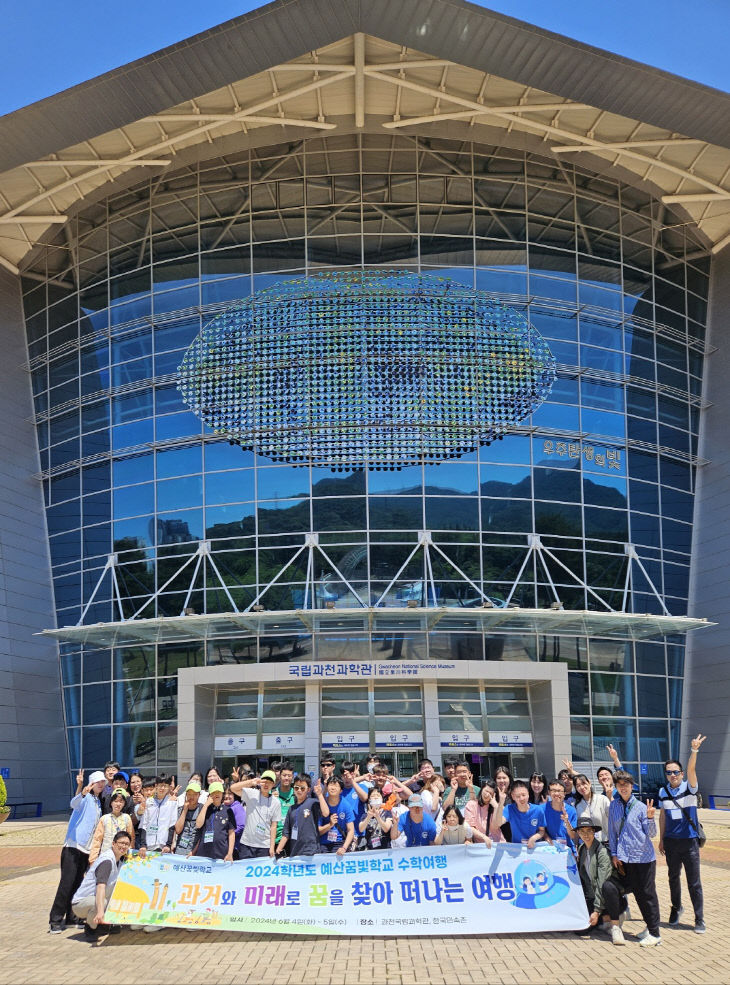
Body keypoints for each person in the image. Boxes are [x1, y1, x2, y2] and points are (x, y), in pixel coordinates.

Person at [658, 732, 706, 933]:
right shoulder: (663, 792)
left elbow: (692, 768)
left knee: (693, 882)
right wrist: (661, 839)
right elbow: (662, 816)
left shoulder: (690, 788)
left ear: (682, 773)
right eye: (669, 772)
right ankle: (676, 908)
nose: (673, 775)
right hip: (671, 842)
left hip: (689, 842)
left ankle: (699, 918)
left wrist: (694, 750)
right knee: (672, 878)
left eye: (676, 772)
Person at [48, 769, 106, 934]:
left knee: (77, 883)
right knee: (66, 883)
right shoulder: (86, 797)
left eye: (103, 782)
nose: (101, 784)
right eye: (98, 782)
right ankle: (55, 919)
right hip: (73, 846)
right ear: (92, 783)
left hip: (86, 849)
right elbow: (74, 804)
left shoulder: (97, 801)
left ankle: (72, 917)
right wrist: (81, 790)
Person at [608, 770, 661, 947]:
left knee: (647, 895)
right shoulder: (614, 806)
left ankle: (655, 933)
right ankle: (650, 927)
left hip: (644, 858)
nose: (623, 787)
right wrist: (614, 854)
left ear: (632, 786)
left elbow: (652, 834)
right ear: (616, 787)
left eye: (626, 784)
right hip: (626, 859)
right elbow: (612, 833)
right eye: (619, 784)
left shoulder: (640, 807)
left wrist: (651, 817)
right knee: (638, 894)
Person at [574, 814, 627, 946]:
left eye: (589, 831)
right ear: (578, 833)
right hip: (593, 898)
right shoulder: (581, 849)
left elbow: (601, 883)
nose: (586, 835)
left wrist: (596, 911)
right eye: (582, 831)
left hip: (607, 898)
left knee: (607, 886)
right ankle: (604, 920)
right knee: (580, 930)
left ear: (594, 832)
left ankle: (614, 919)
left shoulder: (601, 851)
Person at [71, 830, 131, 942]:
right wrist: (100, 911)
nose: (123, 846)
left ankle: (103, 924)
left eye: (126, 844)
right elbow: (100, 887)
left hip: (94, 899)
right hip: (81, 903)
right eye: (121, 843)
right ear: (113, 843)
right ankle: (90, 929)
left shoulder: (120, 859)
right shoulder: (107, 861)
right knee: (102, 902)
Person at [230, 770, 282, 858]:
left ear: (273, 785)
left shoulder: (276, 802)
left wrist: (272, 847)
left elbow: (274, 825)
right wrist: (251, 782)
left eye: (269, 782)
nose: (266, 784)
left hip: (264, 846)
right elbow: (233, 788)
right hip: (247, 844)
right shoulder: (252, 793)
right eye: (264, 781)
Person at [276, 775, 330, 858]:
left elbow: (326, 813)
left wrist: (319, 795)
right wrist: (279, 848)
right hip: (295, 851)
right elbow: (286, 833)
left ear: (308, 790)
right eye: (296, 788)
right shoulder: (291, 808)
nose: (299, 791)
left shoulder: (313, 803)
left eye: (302, 788)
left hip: (311, 851)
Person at [193, 781, 236, 862]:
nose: (216, 794)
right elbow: (198, 825)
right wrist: (206, 805)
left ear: (222, 793)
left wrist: (230, 853)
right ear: (209, 794)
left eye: (219, 792)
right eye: (214, 792)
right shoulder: (204, 809)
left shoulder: (228, 810)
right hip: (203, 853)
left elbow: (231, 833)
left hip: (221, 853)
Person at [89, 789, 135, 863]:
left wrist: (129, 854)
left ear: (124, 804)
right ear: (111, 803)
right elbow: (97, 839)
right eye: (115, 801)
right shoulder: (104, 818)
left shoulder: (127, 818)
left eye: (121, 801)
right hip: (105, 856)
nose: (118, 804)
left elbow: (131, 837)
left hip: (122, 856)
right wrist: (93, 859)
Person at [137, 775, 178, 856]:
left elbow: (172, 825)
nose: (162, 788)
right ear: (156, 786)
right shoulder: (148, 802)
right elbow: (143, 824)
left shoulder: (172, 803)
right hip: (149, 846)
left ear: (169, 788)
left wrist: (168, 845)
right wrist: (143, 845)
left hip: (163, 847)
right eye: (160, 785)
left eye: (165, 786)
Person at [500, 779, 546, 847]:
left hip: (534, 848)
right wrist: (500, 803)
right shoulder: (509, 809)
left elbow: (542, 831)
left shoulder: (538, 810)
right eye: (518, 796)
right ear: (513, 796)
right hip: (517, 848)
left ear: (528, 794)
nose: (521, 798)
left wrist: (534, 838)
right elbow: (499, 822)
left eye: (524, 795)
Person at [318, 777, 355, 855]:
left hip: (340, 843)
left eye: (336, 786)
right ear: (327, 787)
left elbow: (351, 830)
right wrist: (330, 825)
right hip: (323, 843)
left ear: (341, 790)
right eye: (331, 785)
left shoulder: (346, 805)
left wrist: (344, 847)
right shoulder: (322, 804)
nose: (333, 788)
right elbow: (318, 831)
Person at [572, 772, 611, 842]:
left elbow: (613, 818)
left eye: (583, 783)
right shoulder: (577, 805)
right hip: (586, 844)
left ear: (589, 783)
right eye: (578, 786)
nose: (582, 787)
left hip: (604, 842)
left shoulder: (602, 799)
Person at [464, 780, 503, 844]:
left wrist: (496, 807)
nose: (487, 795)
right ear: (482, 789)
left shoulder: (497, 806)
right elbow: (470, 827)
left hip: (498, 842)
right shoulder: (471, 805)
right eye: (486, 791)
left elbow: (495, 827)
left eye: (490, 793)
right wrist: (484, 837)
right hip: (481, 844)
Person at [357, 786, 395, 850]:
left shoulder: (387, 813)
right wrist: (368, 817)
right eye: (373, 796)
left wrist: (378, 817)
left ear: (382, 798)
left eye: (378, 795)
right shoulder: (365, 815)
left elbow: (386, 829)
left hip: (385, 848)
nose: (376, 797)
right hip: (370, 849)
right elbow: (361, 829)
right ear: (369, 799)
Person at [173, 781, 204, 856]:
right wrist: (185, 810)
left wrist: (193, 852)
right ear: (186, 795)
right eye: (189, 794)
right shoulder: (181, 809)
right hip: (180, 850)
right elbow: (178, 830)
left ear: (199, 795)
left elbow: (202, 834)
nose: (191, 797)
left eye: (195, 794)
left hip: (195, 852)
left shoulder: (202, 809)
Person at [543, 778, 577, 847]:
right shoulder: (542, 809)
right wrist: (547, 838)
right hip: (550, 848)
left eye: (559, 791)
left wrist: (567, 821)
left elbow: (573, 836)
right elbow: (539, 829)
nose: (556, 793)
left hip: (568, 849)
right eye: (553, 791)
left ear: (564, 794)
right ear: (549, 793)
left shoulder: (571, 810)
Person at [274, 762, 296, 846]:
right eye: (284, 775)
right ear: (279, 776)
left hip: (292, 840)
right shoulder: (272, 793)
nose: (286, 778)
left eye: (289, 776)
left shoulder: (296, 794)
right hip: (275, 839)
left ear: (292, 777)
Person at [223, 785, 246, 858]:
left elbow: (241, 826)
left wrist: (226, 835)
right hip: (224, 847)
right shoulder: (222, 807)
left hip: (234, 847)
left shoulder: (237, 807)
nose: (226, 796)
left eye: (229, 794)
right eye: (224, 794)